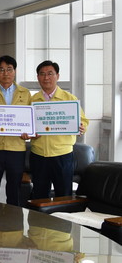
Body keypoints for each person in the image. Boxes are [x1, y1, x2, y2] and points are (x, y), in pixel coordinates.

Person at [29, 60, 88, 199]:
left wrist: (81, 127)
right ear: (38, 77)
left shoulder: (69, 99)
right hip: (39, 154)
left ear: (58, 76)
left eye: (50, 73)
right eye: (42, 74)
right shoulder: (32, 101)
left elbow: (84, 121)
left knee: (64, 195)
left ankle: (63, 215)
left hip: (63, 155)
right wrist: (30, 132)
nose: (46, 77)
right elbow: (26, 124)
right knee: (39, 196)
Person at [0, 56, 31, 205]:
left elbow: (30, 119)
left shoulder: (26, 93)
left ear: (15, 71)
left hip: (16, 149)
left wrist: (28, 133)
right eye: (2, 70)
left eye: (9, 69)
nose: (6, 73)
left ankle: (13, 220)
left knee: (14, 191)